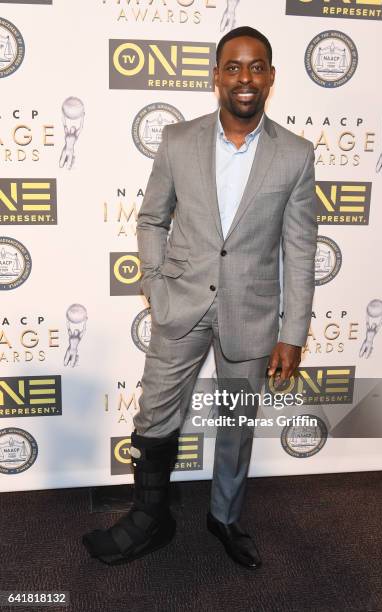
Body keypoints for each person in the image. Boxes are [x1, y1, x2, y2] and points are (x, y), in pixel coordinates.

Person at [83, 26, 317, 569]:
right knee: (156, 410)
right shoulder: (178, 140)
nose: (244, 78)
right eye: (233, 67)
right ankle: (150, 517)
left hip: (252, 314)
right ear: (216, 76)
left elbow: (301, 250)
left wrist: (293, 332)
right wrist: (155, 283)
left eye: (256, 67)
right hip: (180, 306)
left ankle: (225, 518)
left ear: (272, 78)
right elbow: (150, 218)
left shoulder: (297, 155)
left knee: (236, 427)